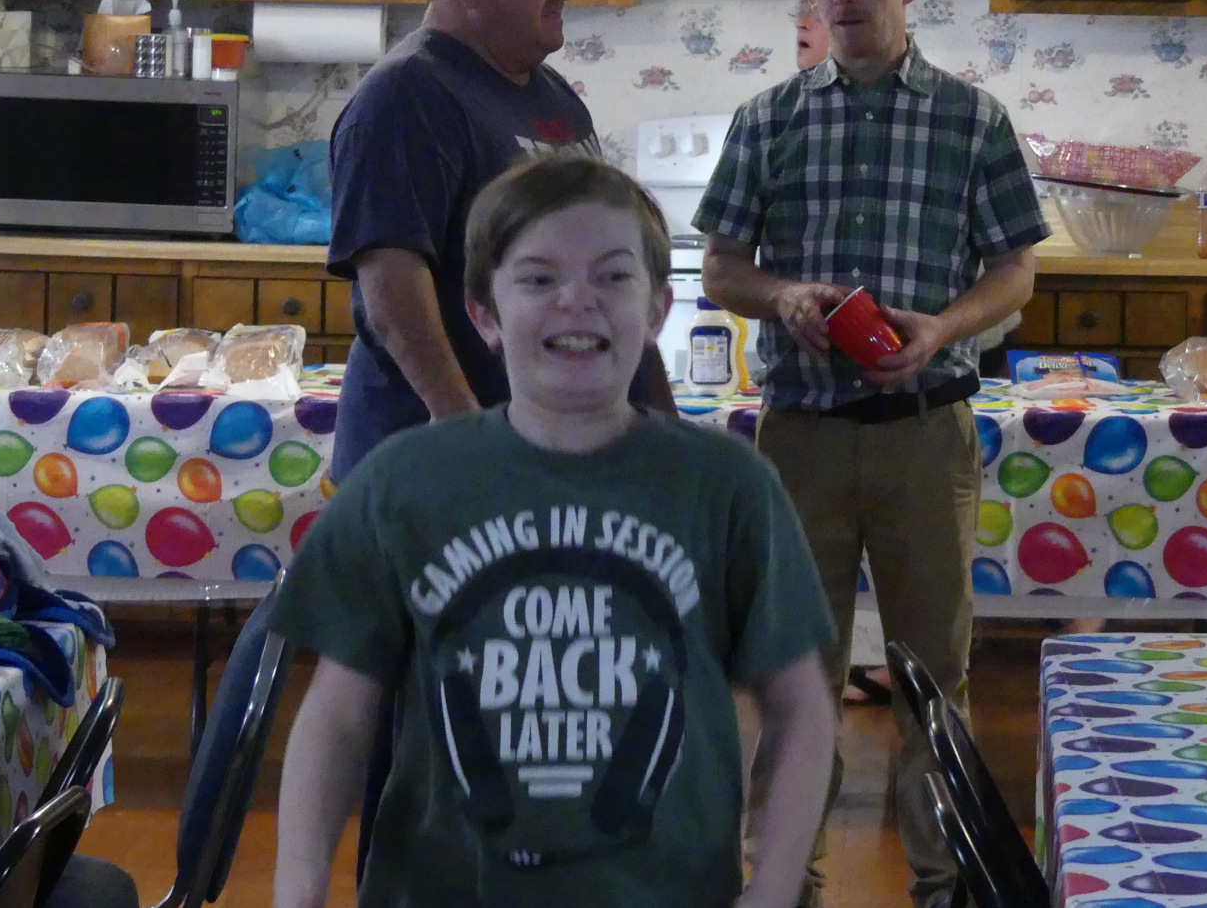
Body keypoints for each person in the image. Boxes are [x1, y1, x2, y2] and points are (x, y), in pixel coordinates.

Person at [273, 156, 838, 908]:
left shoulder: (731, 486)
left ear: (658, 310)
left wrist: (772, 890)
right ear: (485, 315)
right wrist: (298, 886)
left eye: (613, 276)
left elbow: (801, 708)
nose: (577, 301)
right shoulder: (400, 484)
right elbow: (338, 712)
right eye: (538, 279)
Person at [696, 0, 1050, 908]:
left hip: (925, 435)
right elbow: (721, 267)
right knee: (792, 672)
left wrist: (942, 328)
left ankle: (945, 882)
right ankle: (785, 883)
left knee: (934, 674)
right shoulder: (767, 118)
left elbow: (1015, 270)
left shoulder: (973, 119)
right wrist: (780, 297)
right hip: (799, 438)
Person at [324, 0, 673, 484]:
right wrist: (465, 434)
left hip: (538, 455)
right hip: (434, 463)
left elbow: (614, 271)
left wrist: (662, 429)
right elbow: (392, 288)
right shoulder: (406, 94)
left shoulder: (553, 97)